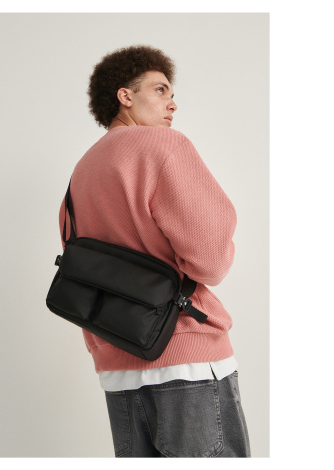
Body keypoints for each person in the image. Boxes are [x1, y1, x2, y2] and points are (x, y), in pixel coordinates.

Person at [58, 45, 250, 458]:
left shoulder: (82, 170)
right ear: (125, 96)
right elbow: (212, 261)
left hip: (116, 365)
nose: (172, 103)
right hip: (186, 356)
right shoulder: (163, 146)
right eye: (160, 90)